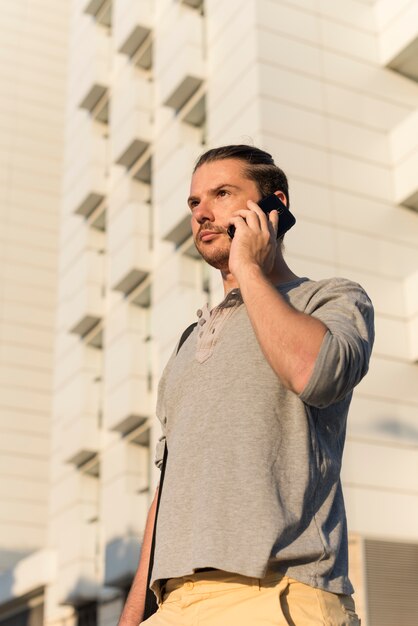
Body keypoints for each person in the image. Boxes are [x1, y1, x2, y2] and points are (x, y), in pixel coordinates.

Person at [118, 145, 374, 625]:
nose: (203, 213)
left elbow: (314, 372)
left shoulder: (330, 298)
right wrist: (133, 614)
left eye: (222, 193)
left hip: (277, 595)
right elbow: (169, 485)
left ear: (272, 206)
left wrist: (250, 269)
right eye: (195, 203)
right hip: (175, 605)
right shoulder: (186, 344)